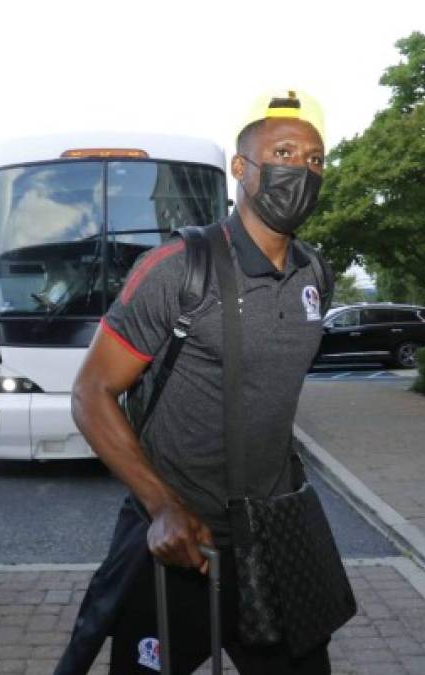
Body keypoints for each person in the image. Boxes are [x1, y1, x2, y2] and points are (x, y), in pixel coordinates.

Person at [56, 91, 338, 674]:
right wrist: (161, 506)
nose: (302, 171)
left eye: (315, 160)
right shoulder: (179, 269)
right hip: (182, 544)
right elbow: (91, 394)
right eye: (283, 152)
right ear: (242, 169)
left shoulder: (316, 274)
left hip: (274, 541)